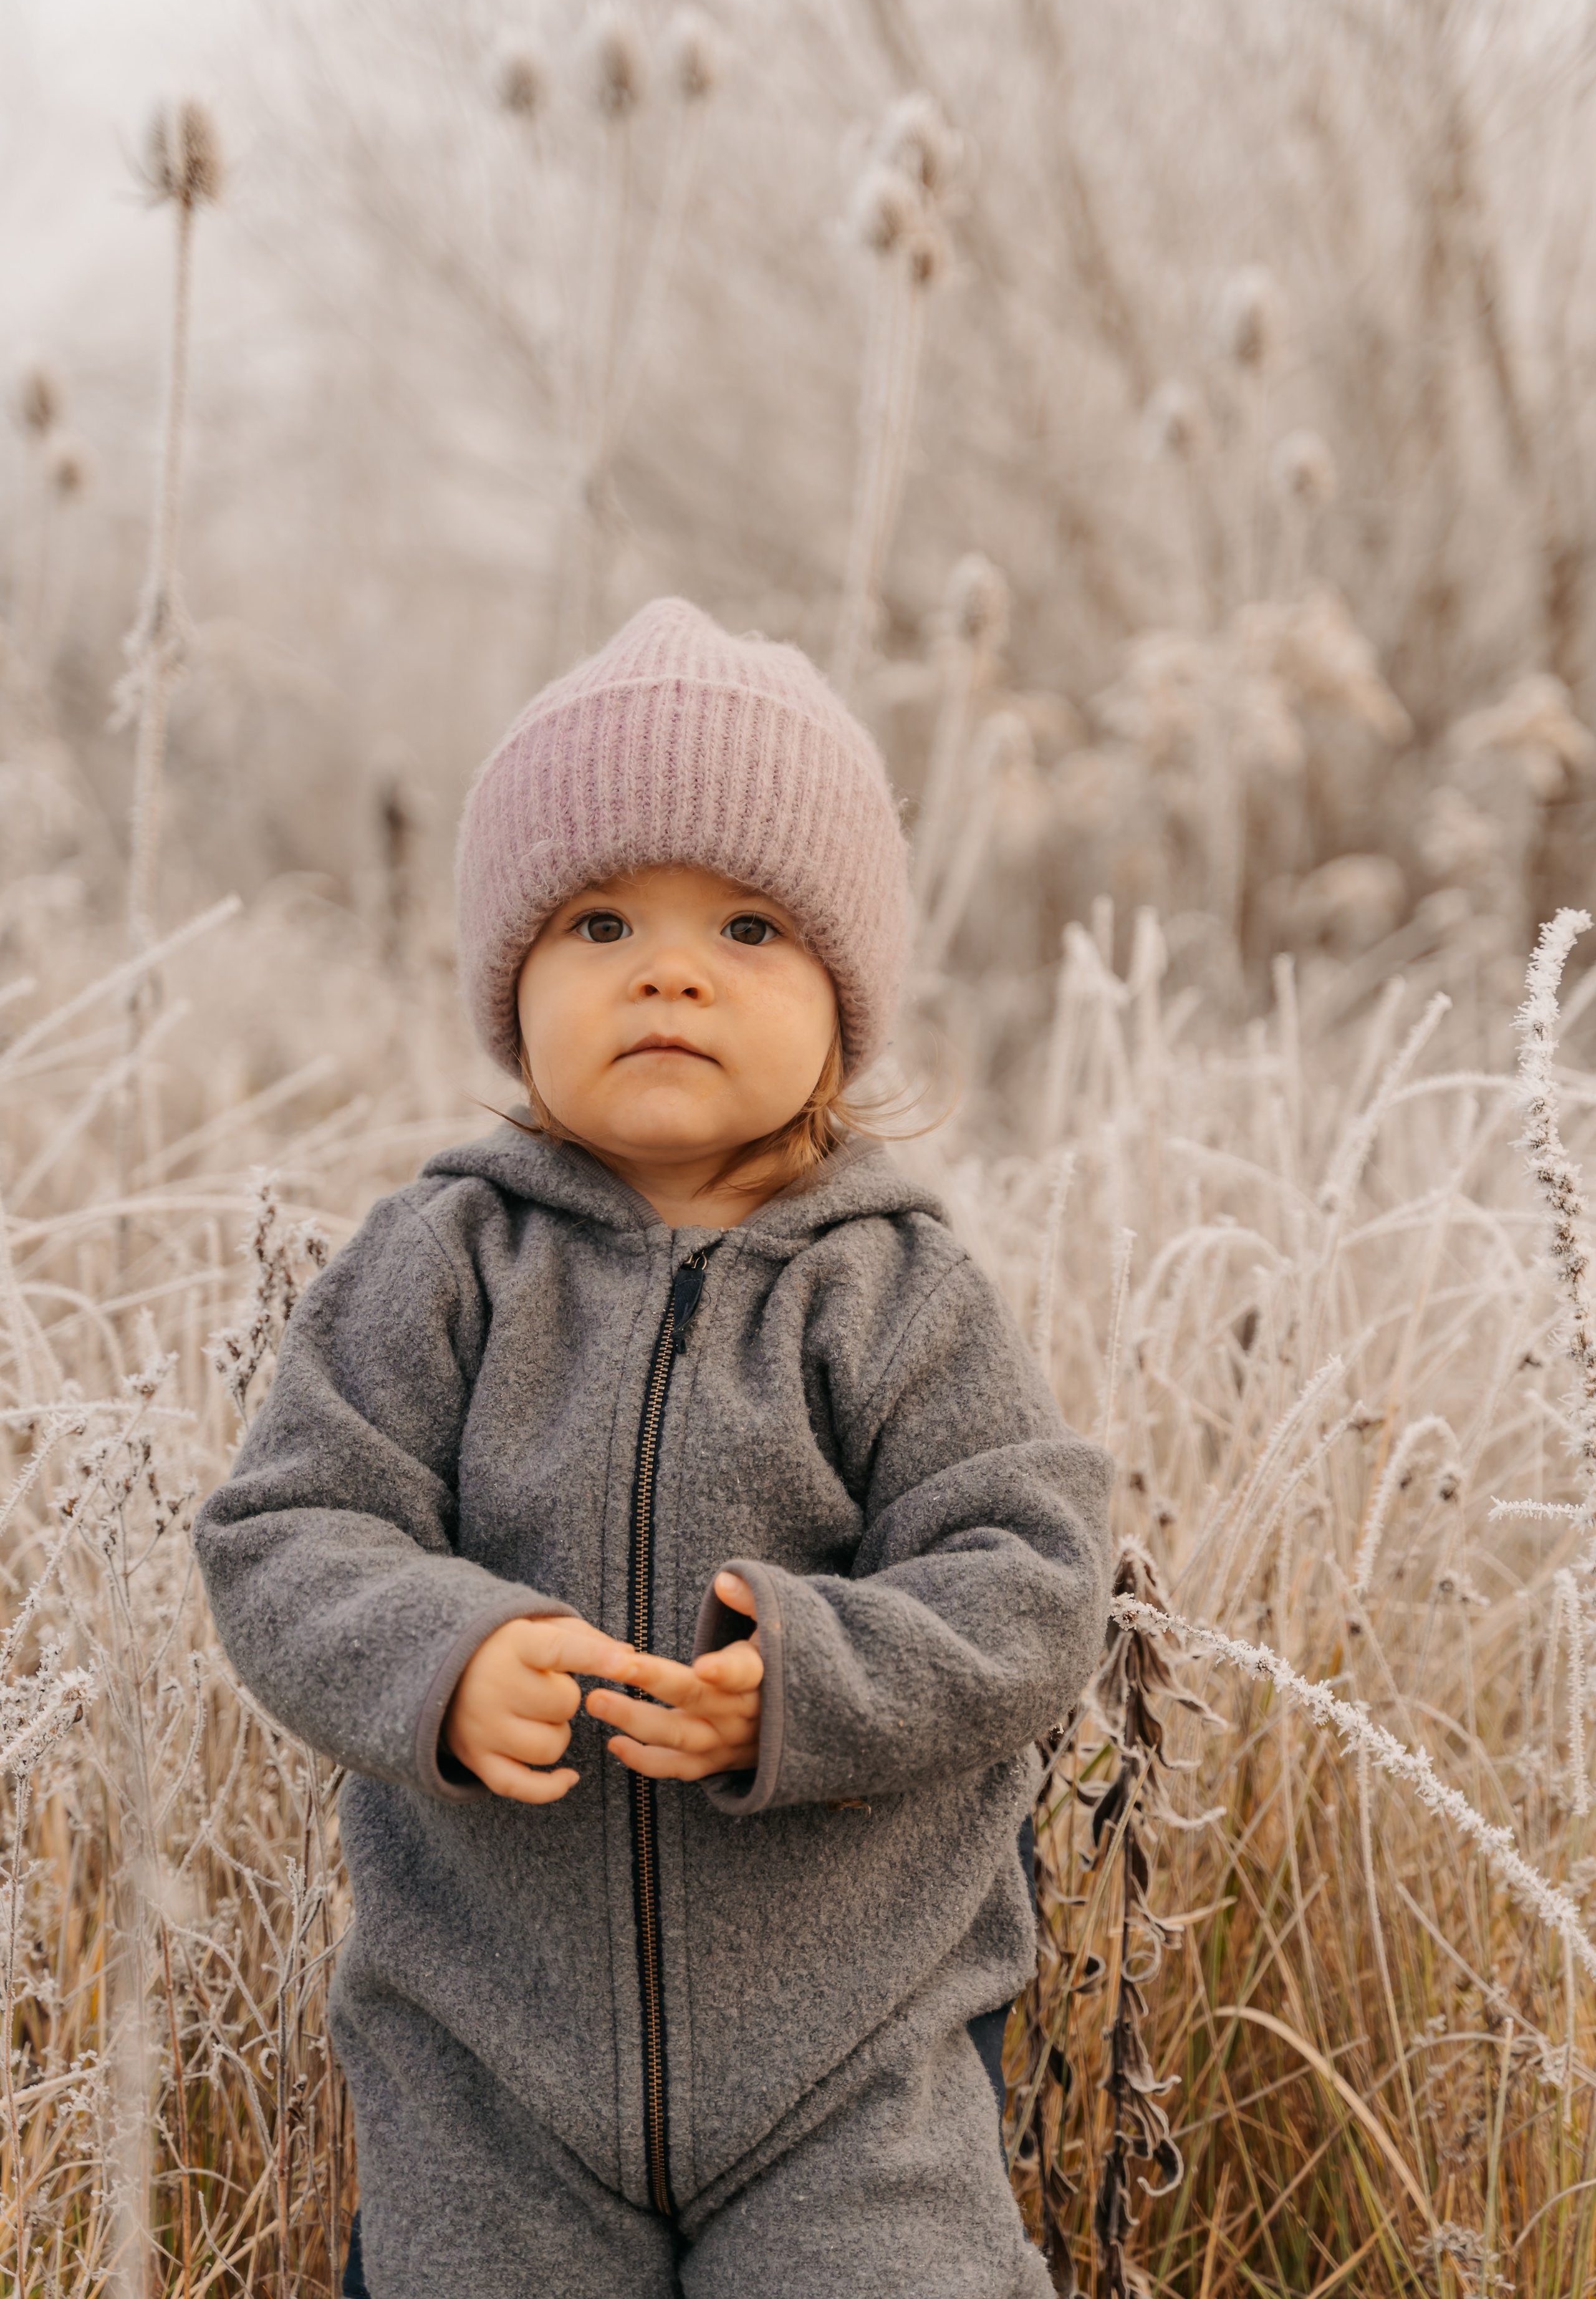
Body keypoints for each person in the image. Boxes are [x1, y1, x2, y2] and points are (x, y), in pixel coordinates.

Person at [195, 597, 1113, 2298]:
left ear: (843, 998)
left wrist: (812, 1678)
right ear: (512, 986)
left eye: (749, 925)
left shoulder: (895, 1290)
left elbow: (1033, 1575)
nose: (670, 970)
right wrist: (446, 1655)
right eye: (600, 920)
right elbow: (288, 1527)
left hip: (852, 2071)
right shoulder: (443, 1263)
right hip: (486, 2064)